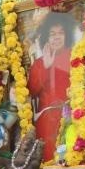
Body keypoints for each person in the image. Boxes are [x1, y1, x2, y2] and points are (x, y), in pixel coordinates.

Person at [28, 12, 75, 161]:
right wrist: (46, 67)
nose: (56, 37)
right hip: (47, 121)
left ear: (66, 36)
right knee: (48, 160)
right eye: (52, 34)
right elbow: (32, 91)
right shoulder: (39, 63)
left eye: (61, 33)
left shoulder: (74, 57)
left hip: (71, 114)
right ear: (46, 38)